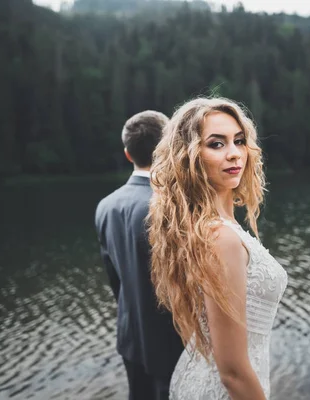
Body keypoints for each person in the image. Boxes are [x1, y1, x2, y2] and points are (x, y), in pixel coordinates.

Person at [147, 97, 289, 399]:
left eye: (239, 141)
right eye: (216, 144)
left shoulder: (211, 227)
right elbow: (233, 372)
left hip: (203, 377)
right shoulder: (220, 238)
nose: (234, 154)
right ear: (190, 156)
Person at [94, 110, 184, 400]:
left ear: (127, 154)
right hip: (172, 343)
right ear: (167, 148)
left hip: (130, 336)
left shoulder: (106, 206)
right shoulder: (171, 208)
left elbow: (115, 280)